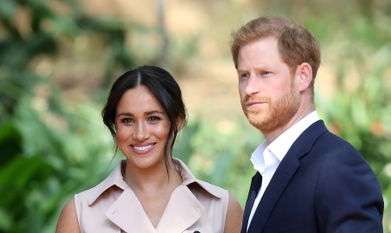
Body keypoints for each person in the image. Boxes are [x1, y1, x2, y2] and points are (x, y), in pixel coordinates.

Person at [230, 16, 383, 233]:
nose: (249, 88)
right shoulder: (267, 169)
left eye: (265, 73)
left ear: (303, 76)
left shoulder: (338, 167)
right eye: (244, 75)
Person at [55, 65, 242, 233]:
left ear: (177, 121)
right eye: (127, 120)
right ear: (115, 126)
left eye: (153, 118)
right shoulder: (80, 214)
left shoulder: (222, 208)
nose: (140, 134)